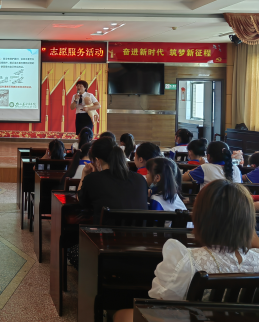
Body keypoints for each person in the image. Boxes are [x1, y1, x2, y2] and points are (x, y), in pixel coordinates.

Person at [113, 180, 259, 322]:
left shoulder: (186, 261)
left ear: (200, 217)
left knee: (121, 315)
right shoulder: (256, 258)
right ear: (249, 220)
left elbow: (159, 309)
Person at [77, 137, 148, 224]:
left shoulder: (92, 179)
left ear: (97, 161)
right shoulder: (140, 179)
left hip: (106, 232)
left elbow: (81, 201)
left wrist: (85, 174)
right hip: (139, 232)